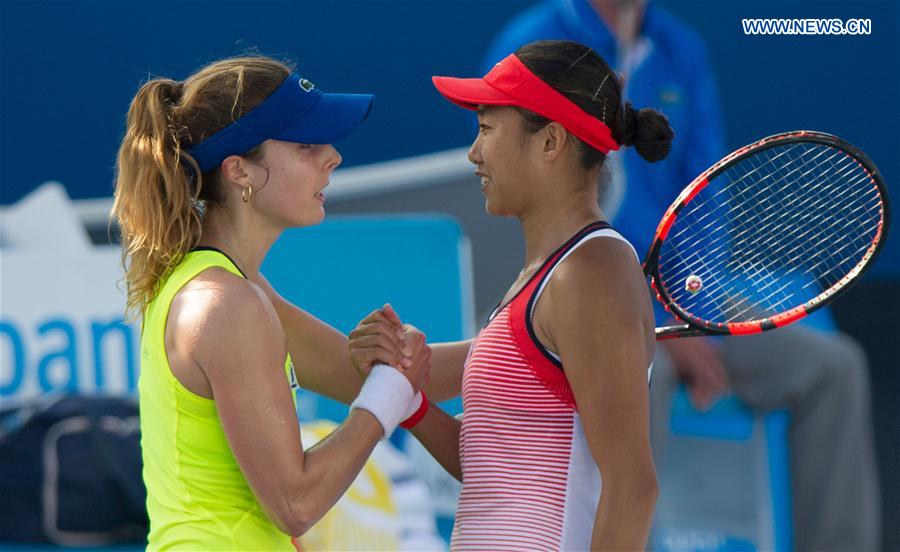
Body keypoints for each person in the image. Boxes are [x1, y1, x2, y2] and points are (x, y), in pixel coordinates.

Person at [477, 2, 881, 551]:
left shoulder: (682, 50)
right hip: (576, 302)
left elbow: (703, 194)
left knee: (834, 369)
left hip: (680, 297)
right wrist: (649, 315)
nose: (476, 148)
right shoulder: (535, 43)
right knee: (643, 380)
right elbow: (535, 209)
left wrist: (690, 304)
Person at [350, 39, 671, 550]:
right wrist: (412, 403)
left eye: (486, 128)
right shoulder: (548, 274)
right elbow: (495, 472)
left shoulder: (591, 271)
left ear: (550, 142)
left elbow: (633, 488)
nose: (473, 153)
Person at [112, 56, 432, 549]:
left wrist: (523, 341)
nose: (333, 157)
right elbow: (294, 504)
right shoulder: (225, 304)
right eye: (306, 145)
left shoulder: (225, 287)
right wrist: (386, 397)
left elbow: (362, 375)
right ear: (239, 171)